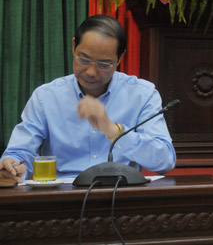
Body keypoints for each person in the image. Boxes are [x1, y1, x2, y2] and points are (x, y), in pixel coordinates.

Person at [0, 15, 176, 182]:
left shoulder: (142, 94)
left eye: (104, 64)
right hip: (63, 198)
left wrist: (114, 131)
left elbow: (164, 161)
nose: (91, 72)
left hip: (122, 196)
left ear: (120, 58)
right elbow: (20, 152)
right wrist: (14, 166)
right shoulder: (46, 97)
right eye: (83, 59)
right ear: (73, 46)